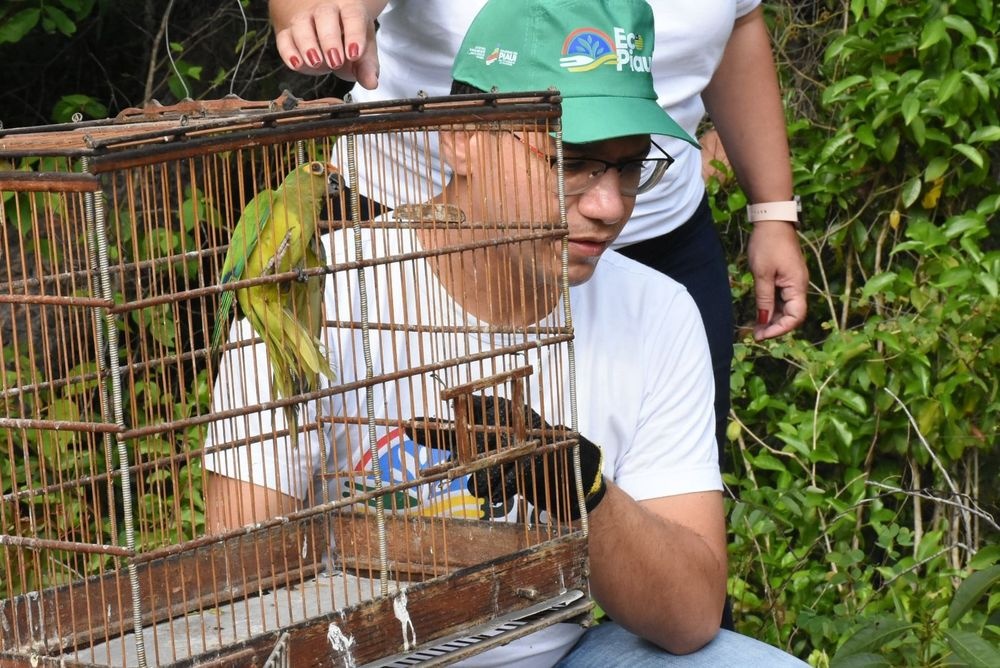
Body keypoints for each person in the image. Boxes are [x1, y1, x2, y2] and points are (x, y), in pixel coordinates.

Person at [206, 1, 807, 664]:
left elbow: (691, 618)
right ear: (460, 135)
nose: (609, 207)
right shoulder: (320, 295)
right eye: (568, 161)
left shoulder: (658, 312)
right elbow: (238, 593)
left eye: (630, 168)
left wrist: (580, 490)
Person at [268, 0, 811, 475]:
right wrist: (323, 17)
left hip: (656, 238)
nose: (604, 205)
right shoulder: (353, 270)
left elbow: (740, 22)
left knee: (658, 480)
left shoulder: (661, 299)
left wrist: (773, 210)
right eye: (568, 161)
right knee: (400, 468)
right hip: (430, 226)